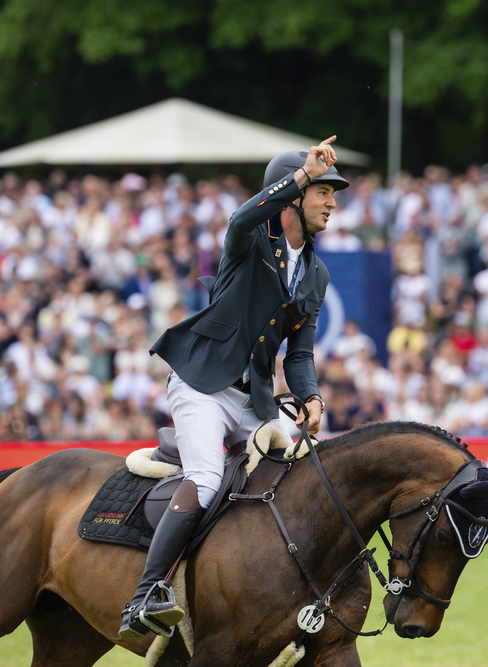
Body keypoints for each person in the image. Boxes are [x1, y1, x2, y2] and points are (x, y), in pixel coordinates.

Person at [119, 136, 348, 641]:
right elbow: (241, 218)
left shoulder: (318, 273)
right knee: (203, 481)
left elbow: (301, 355)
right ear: (293, 198)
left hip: (254, 400)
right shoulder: (250, 241)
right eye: (323, 192)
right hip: (201, 385)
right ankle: (145, 596)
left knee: (304, 472)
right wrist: (301, 174)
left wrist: (310, 396)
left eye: (332, 193)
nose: (333, 202)